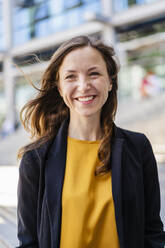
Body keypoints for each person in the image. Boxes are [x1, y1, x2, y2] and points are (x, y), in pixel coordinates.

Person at [16, 35, 165, 248]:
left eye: (94, 73)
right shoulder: (36, 159)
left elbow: (152, 233)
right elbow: (28, 243)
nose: (84, 85)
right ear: (59, 88)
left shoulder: (138, 148)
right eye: (71, 77)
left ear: (110, 81)